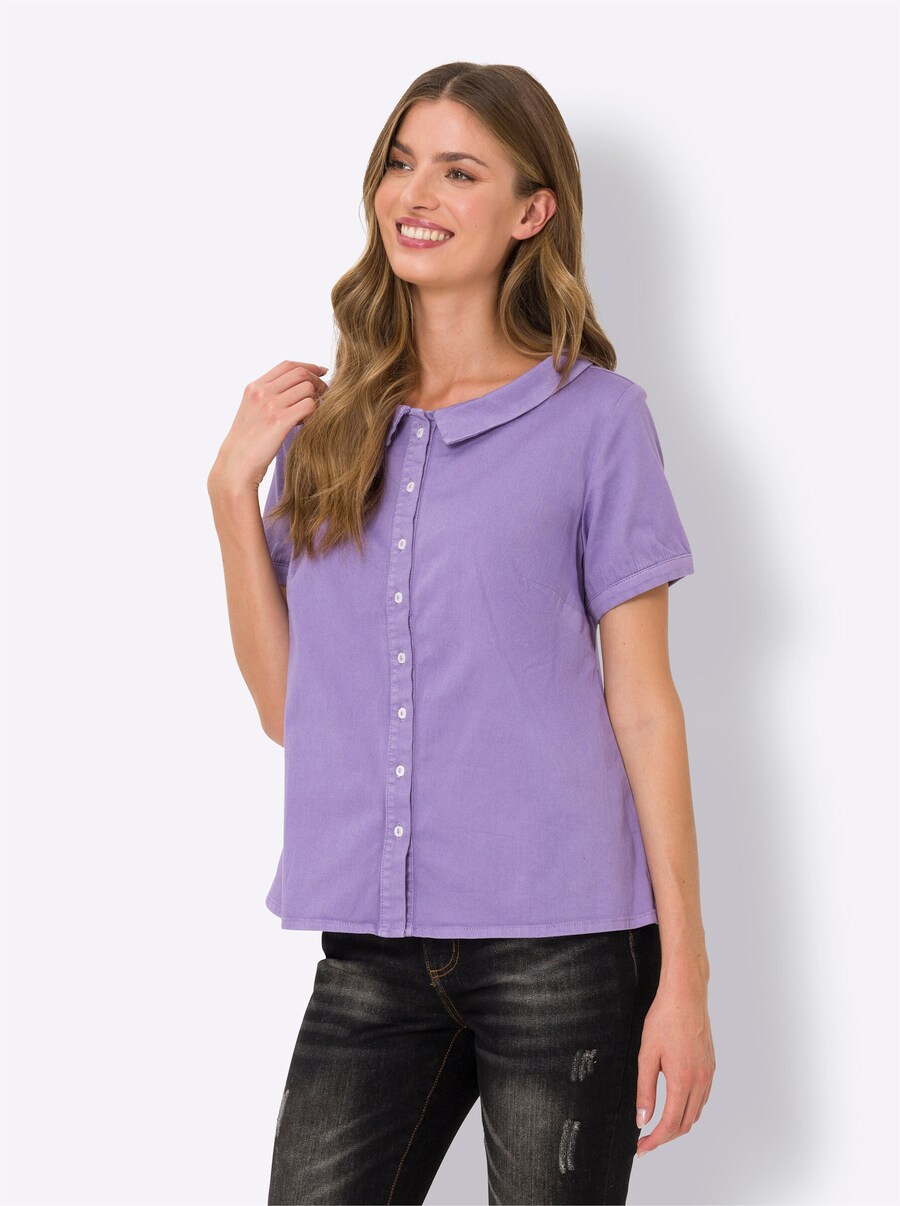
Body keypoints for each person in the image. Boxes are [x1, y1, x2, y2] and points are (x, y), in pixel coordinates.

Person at [208, 61, 715, 1206]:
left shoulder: (597, 422)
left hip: (565, 948)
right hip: (372, 953)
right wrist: (231, 497)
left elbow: (644, 705)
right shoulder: (326, 432)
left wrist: (685, 977)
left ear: (532, 212)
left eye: (459, 171)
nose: (415, 193)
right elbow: (291, 715)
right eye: (401, 163)